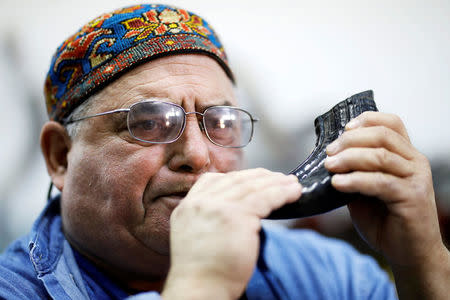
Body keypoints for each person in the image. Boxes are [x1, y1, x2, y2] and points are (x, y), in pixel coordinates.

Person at [0, 4, 448, 299]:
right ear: (60, 156)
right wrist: (203, 284)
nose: (197, 155)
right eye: (151, 122)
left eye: (221, 123)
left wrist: (422, 261)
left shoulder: (327, 274)